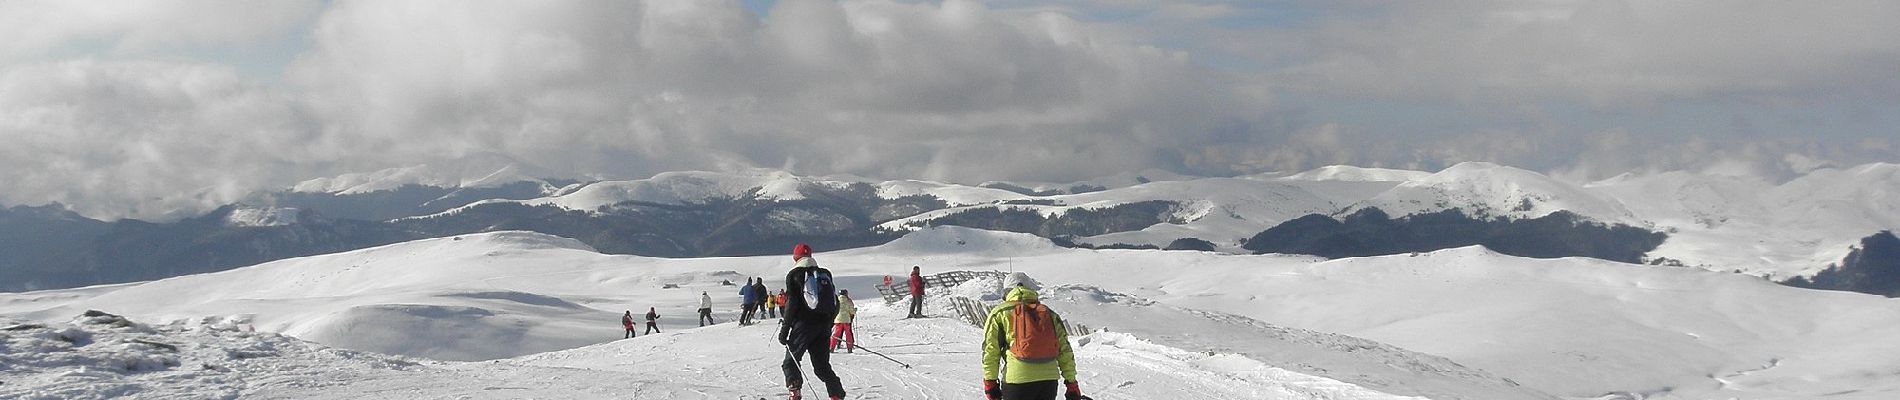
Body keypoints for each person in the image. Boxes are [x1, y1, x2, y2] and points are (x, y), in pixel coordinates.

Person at [981, 280, 1082, 400]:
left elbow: (991, 350)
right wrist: (1071, 383)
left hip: (1017, 380)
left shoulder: (1000, 312)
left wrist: (990, 381)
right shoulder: (1049, 314)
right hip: (1048, 382)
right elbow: (1064, 350)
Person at [779, 243, 845, 400]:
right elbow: (835, 301)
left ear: (795, 257)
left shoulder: (795, 274)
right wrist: (828, 323)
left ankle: (794, 393)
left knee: (791, 361)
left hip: (803, 325)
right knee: (822, 366)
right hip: (823, 325)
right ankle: (836, 395)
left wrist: (785, 329)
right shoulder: (824, 273)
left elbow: (792, 303)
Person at [830, 289, 857, 353]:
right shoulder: (848, 301)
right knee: (848, 334)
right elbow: (852, 311)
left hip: (838, 320)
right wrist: (855, 310)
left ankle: (832, 348)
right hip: (846, 320)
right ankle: (849, 348)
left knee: (836, 334)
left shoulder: (836, 301)